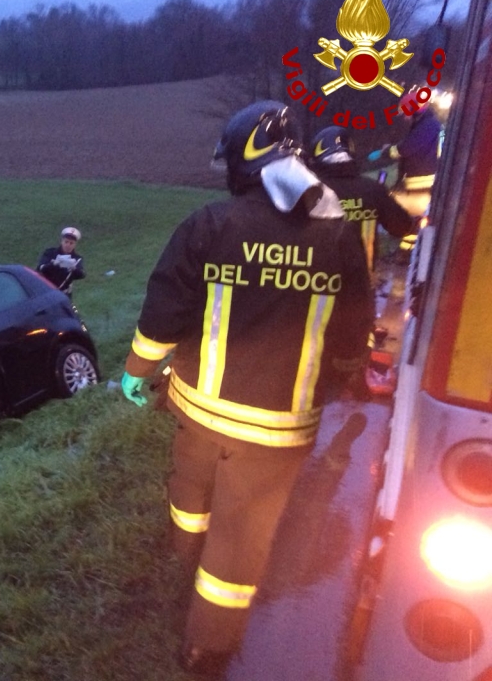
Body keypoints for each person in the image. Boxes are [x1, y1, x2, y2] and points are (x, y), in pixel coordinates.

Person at [119, 101, 373, 675]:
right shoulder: (338, 237)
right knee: (241, 537)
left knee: (191, 489)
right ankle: (207, 644)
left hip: (198, 410)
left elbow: (164, 311)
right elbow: (354, 325)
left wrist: (137, 374)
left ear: (244, 159)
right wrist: (348, 371)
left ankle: (182, 558)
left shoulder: (211, 223)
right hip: (277, 433)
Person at [308, 126, 415, 271]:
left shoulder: (310, 192)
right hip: (362, 286)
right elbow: (402, 226)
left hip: (317, 283)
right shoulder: (372, 190)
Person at [368, 87, 445, 251]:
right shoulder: (426, 124)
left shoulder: (428, 126)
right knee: (413, 215)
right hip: (420, 179)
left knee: (415, 216)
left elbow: (406, 149)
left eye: (405, 112)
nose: (404, 117)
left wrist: (385, 151)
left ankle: (407, 253)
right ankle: (406, 252)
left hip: (422, 180)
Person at [36, 226, 86, 294]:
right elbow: (40, 268)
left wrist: (74, 269)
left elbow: (82, 275)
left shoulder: (77, 258)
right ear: (62, 241)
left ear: (75, 245)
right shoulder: (50, 253)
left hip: (64, 294)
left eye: (71, 243)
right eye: (66, 242)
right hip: (46, 291)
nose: (68, 245)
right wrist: (53, 264)